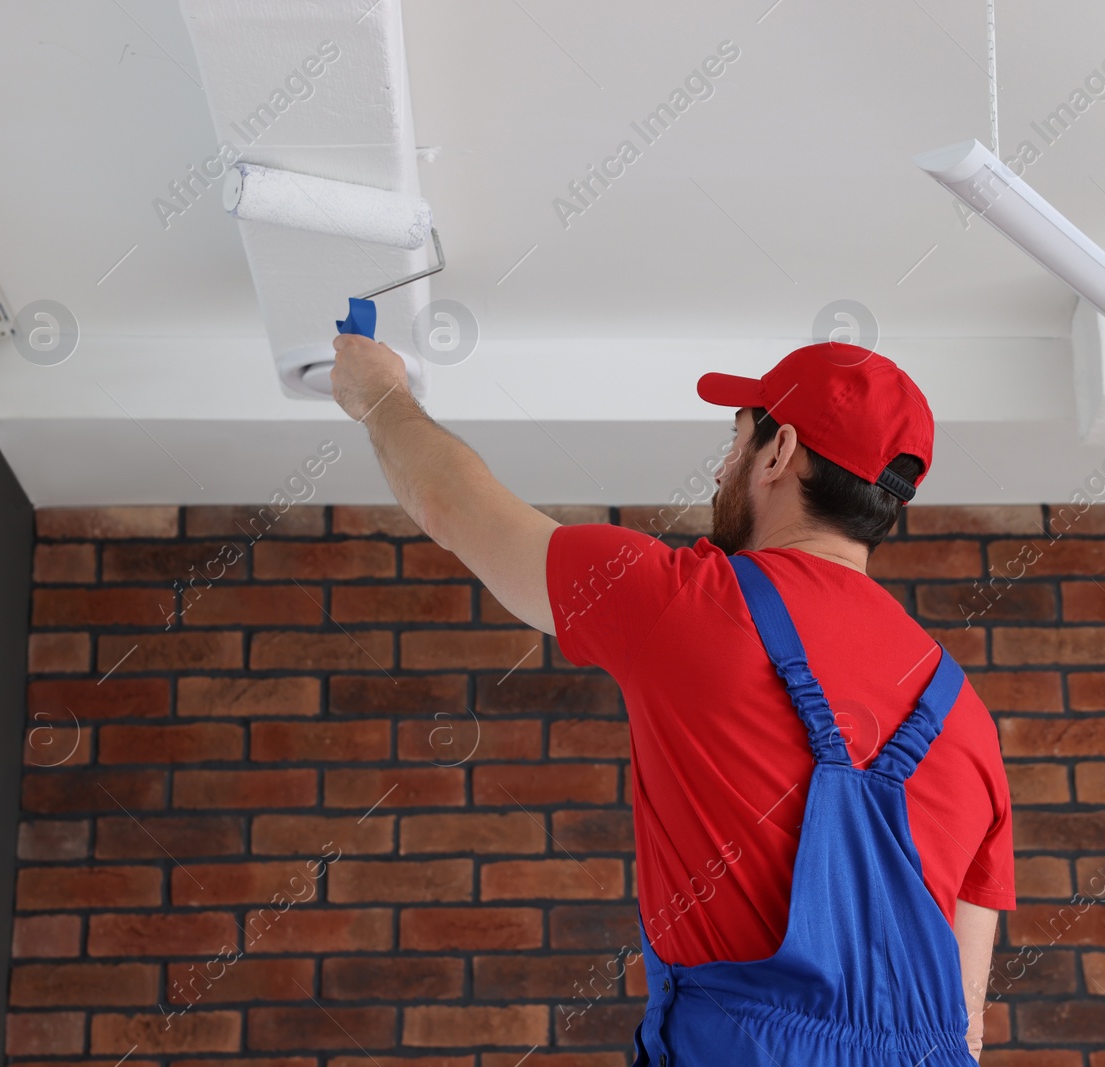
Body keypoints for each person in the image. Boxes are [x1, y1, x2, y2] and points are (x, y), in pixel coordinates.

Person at [330, 336, 1014, 1065]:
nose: (723, 468)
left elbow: (452, 503)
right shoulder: (968, 722)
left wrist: (380, 396)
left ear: (778, 452)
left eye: (735, 440)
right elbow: (964, 1025)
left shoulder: (683, 600)